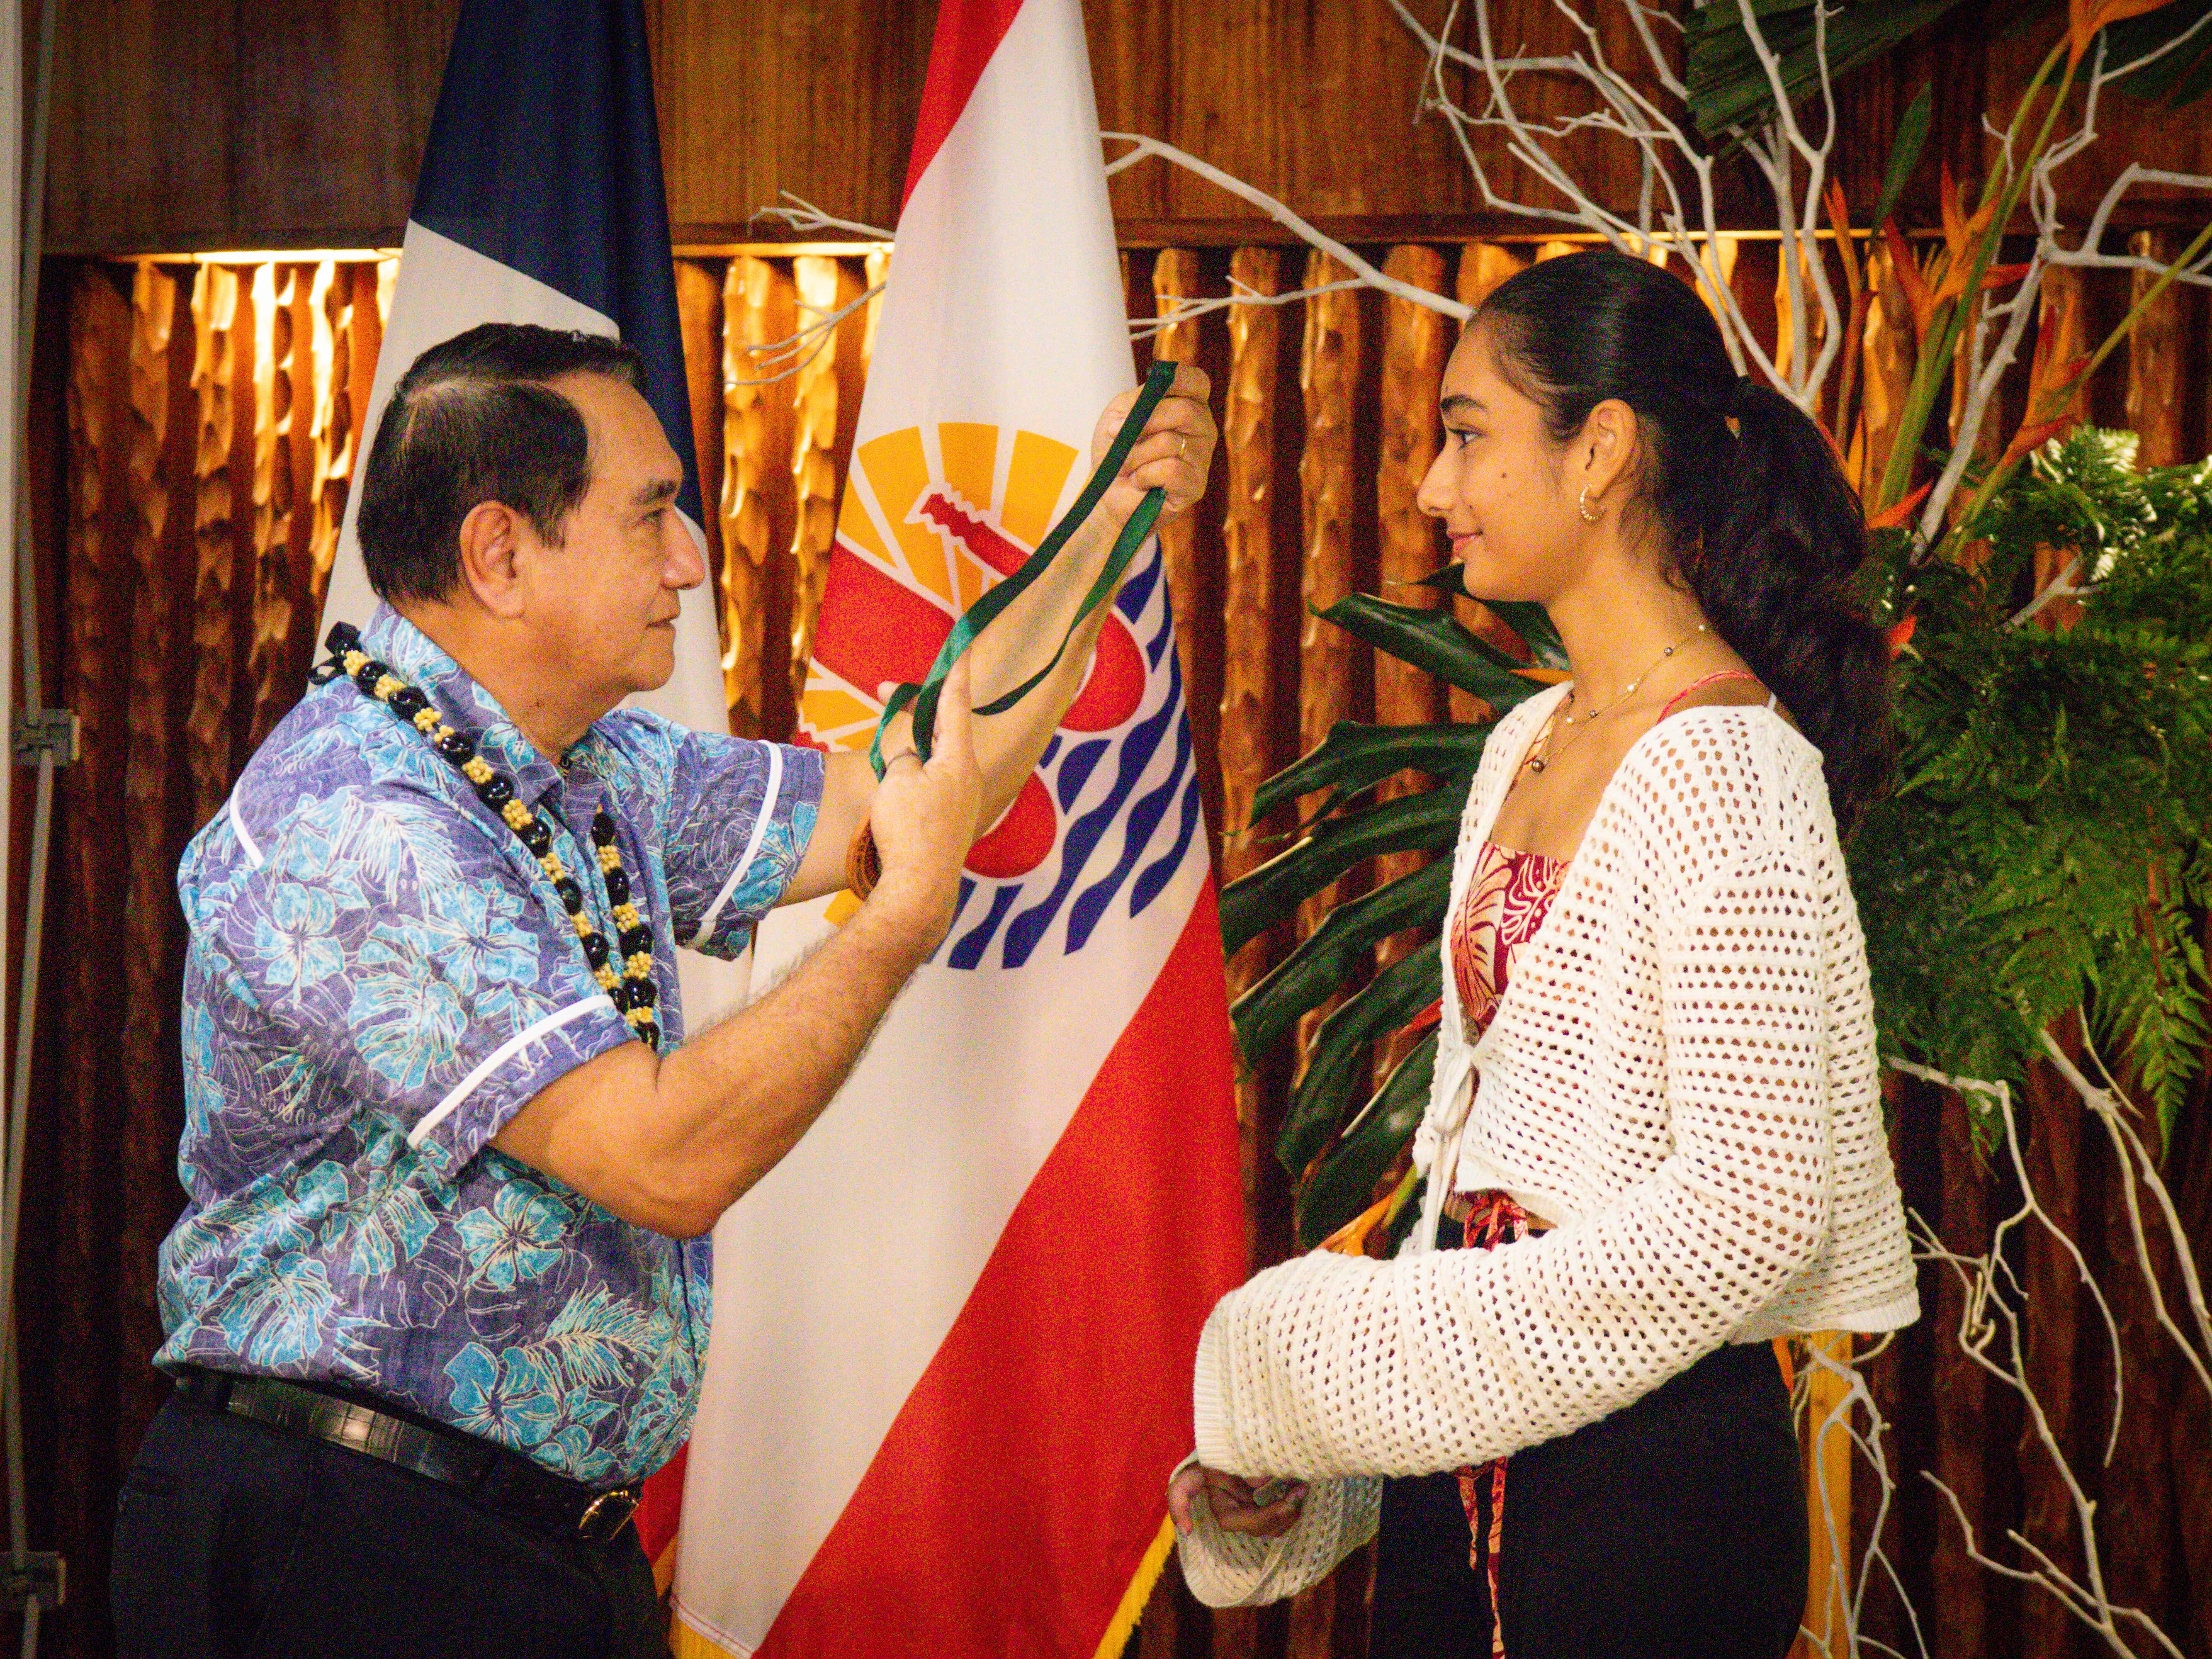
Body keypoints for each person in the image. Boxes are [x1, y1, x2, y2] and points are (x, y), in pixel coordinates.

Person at [108, 322, 1215, 1659]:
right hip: (350, 1543)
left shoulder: (585, 765)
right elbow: (659, 1157)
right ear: (500, 554)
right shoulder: (364, 820)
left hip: (524, 1541)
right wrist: (897, 926)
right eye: (651, 515)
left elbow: (925, 782)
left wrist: (1099, 533)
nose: (691, 556)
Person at [1167, 250, 1918, 1658]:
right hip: (1471, 1464)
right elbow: (1480, 1163)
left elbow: (1759, 1214)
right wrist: (1329, 1444)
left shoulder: (1729, 769)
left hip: (1651, 1493)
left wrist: (1356, 1349)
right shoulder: (1527, 738)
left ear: (1604, 452)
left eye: (1466, 434)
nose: (1432, 489)